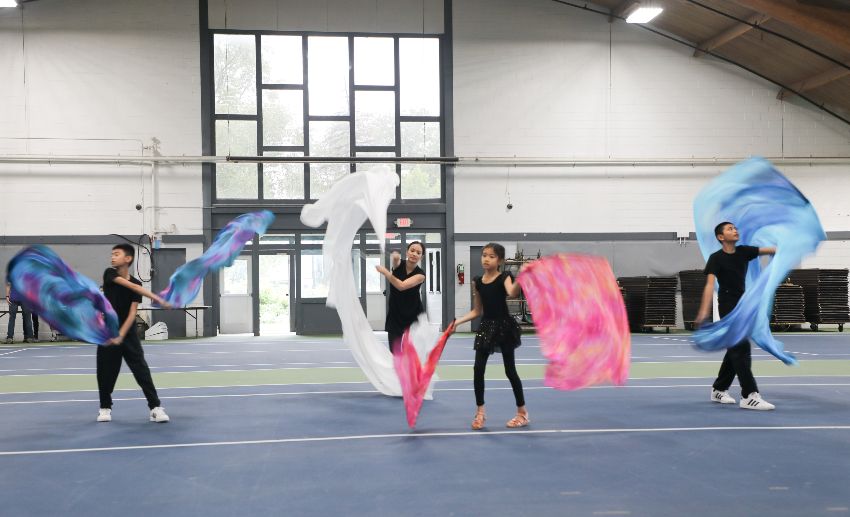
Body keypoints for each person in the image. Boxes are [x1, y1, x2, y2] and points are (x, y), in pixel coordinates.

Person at [696, 222, 776, 411]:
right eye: (730, 229)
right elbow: (709, 285)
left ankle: (719, 388)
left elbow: (773, 250)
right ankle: (749, 395)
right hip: (727, 305)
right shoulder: (716, 258)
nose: (735, 230)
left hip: (742, 305)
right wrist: (703, 311)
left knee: (735, 349)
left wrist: (789, 246)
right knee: (741, 348)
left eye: (735, 228)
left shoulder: (744, 252)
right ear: (720, 237)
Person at [452, 243, 528, 430]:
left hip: (504, 327)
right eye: (484, 255)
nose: (486, 258)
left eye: (491, 256)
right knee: (478, 369)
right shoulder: (477, 281)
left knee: (510, 371)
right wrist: (457, 322)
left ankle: (522, 413)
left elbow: (512, 292)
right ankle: (480, 412)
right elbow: (477, 310)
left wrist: (523, 276)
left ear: (500, 261)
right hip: (486, 327)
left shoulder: (504, 277)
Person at [96, 244, 172, 423]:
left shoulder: (137, 283)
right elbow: (133, 288)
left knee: (141, 370)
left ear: (128, 259)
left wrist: (122, 334)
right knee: (106, 371)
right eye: (112, 254)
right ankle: (105, 407)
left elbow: (132, 313)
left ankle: (155, 407)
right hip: (108, 331)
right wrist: (159, 299)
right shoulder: (109, 274)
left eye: (117, 254)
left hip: (128, 334)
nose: (112, 257)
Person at [376, 242, 426, 352]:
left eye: (418, 252)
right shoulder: (399, 265)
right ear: (407, 252)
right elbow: (396, 261)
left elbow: (401, 286)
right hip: (396, 314)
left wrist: (385, 272)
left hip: (413, 315)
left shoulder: (421, 275)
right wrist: (395, 256)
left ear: (421, 257)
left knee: (410, 352)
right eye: (412, 250)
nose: (414, 254)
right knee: (395, 352)